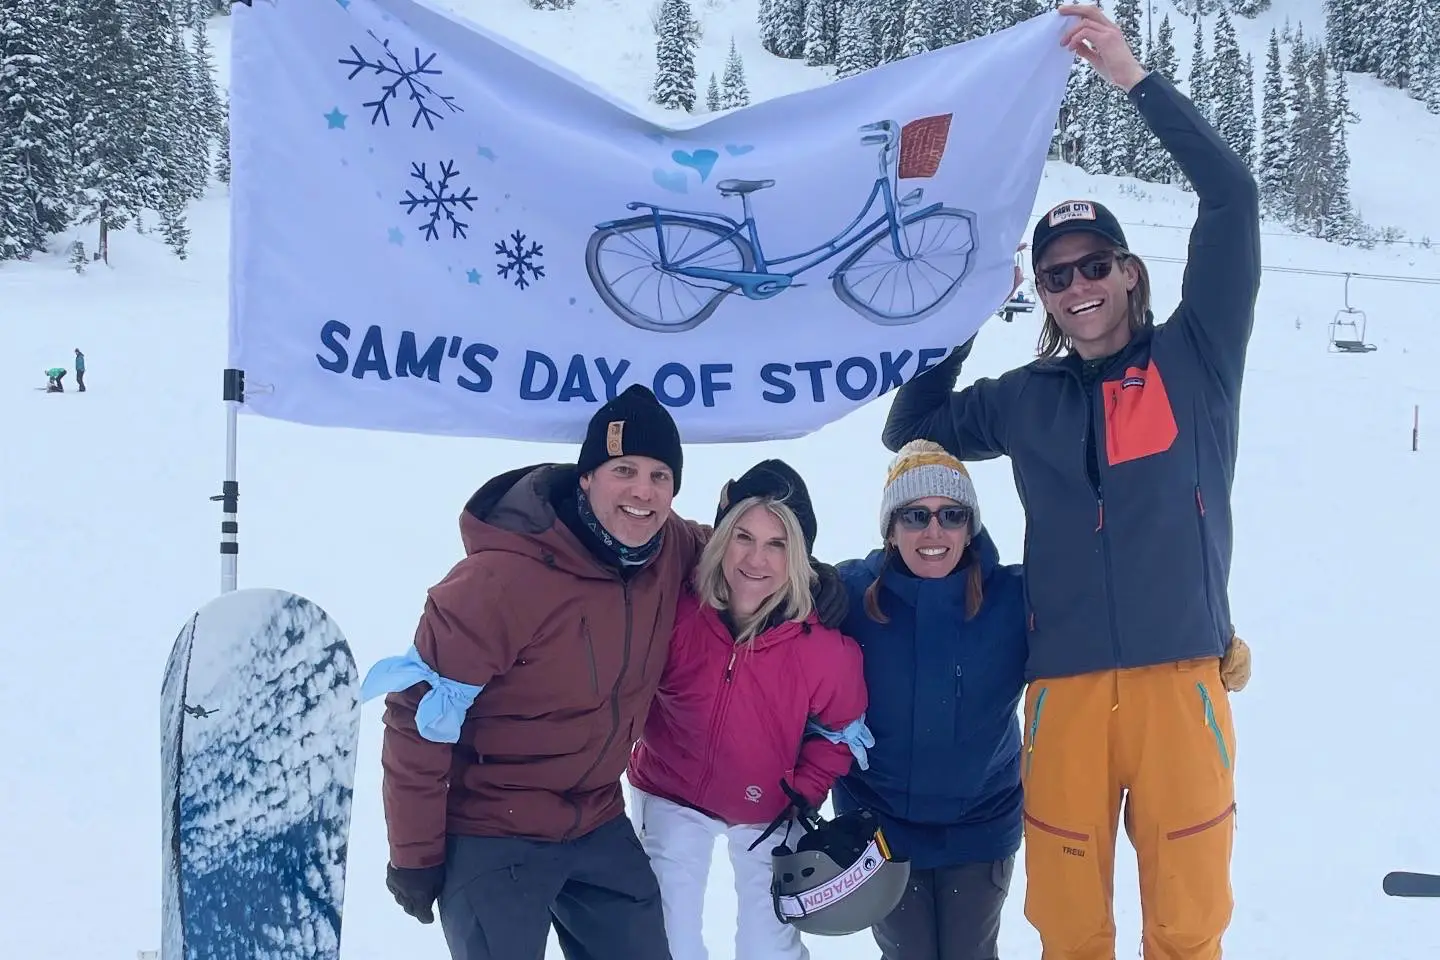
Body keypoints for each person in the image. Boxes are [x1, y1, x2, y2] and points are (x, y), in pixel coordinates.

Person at [881, 7, 1258, 959]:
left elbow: (1233, 199)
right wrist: (971, 303)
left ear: (1130, 273)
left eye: (1094, 266)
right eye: (1055, 277)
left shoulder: (1197, 360)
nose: (1076, 285)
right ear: (1041, 295)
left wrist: (1134, 77)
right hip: (1066, 697)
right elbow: (912, 426)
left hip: (1181, 689)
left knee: (1187, 922)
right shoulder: (1025, 399)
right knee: (1069, 926)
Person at [360, 384, 848, 960]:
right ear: (586, 476)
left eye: (660, 476)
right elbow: (419, 715)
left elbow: (741, 555)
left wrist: (815, 583)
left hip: (594, 816)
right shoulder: (496, 583)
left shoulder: (669, 550)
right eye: (625, 470)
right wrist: (415, 853)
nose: (643, 492)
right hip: (495, 823)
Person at [627, 459, 870, 960]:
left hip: (769, 808)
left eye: (777, 544)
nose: (756, 558)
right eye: (743, 536)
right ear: (721, 539)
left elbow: (840, 732)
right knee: (667, 934)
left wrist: (802, 792)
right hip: (670, 788)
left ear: (797, 555)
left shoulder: (825, 650)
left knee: (767, 946)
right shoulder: (678, 611)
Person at [832, 440, 1027, 960]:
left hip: (980, 825)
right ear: (892, 530)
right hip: (882, 827)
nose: (934, 531)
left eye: (951, 515)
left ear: (971, 527)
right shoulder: (847, 595)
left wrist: (1206, 637)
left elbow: (1099, 602)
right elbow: (762, 589)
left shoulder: (1015, 599)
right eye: (915, 515)